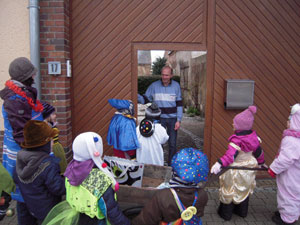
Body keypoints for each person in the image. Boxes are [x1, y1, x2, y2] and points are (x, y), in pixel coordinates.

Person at [43, 132, 131, 225]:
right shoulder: (100, 180)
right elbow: (111, 211)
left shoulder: (70, 170)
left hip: (76, 219)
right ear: (97, 151)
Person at [0, 57, 49, 223]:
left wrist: (47, 112)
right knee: (25, 194)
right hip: (23, 155)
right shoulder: (14, 101)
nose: (34, 77)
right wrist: (38, 152)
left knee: (29, 192)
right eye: (31, 74)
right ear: (24, 77)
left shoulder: (23, 94)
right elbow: (22, 134)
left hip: (29, 153)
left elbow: (33, 111)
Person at [210, 105, 266, 221]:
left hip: (235, 171)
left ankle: (226, 214)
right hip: (248, 169)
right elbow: (259, 152)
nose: (233, 125)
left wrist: (219, 164)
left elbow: (230, 157)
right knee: (244, 189)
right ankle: (242, 212)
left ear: (240, 126)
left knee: (230, 190)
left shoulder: (236, 141)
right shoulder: (253, 138)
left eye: (234, 123)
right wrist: (261, 163)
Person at [132, 147, 209, 225]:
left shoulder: (163, 196)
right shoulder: (202, 195)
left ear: (175, 172)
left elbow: (145, 220)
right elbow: (199, 213)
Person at [13, 120, 66, 225]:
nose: (52, 143)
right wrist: (67, 182)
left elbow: (16, 178)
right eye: (50, 140)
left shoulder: (21, 160)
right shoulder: (48, 165)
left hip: (31, 206)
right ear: (44, 143)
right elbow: (58, 188)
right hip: (48, 210)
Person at [138, 65, 183, 165]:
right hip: (159, 119)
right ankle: (160, 164)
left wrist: (178, 120)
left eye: (166, 75)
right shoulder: (154, 86)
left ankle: (171, 165)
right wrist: (134, 95)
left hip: (172, 119)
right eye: (162, 75)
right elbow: (145, 99)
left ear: (171, 75)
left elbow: (179, 104)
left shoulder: (176, 86)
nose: (164, 77)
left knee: (172, 144)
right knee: (158, 143)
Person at [268, 103, 300, 225]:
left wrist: (273, 169)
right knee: (295, 194)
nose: (287, 122)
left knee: (288, 194)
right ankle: (290, 213)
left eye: (290, 119)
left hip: (290, 175)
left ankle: (287, 219)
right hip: (296, 173)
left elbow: (285, 159)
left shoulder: (292, 140)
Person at [43, 102, 67, 174]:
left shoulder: (50, 124)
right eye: (53, 114)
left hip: (57, 147)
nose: (55, 116)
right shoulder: (46, 127)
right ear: (47, 116)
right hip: (54, 149)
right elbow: (50, 141)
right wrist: (51, 153)